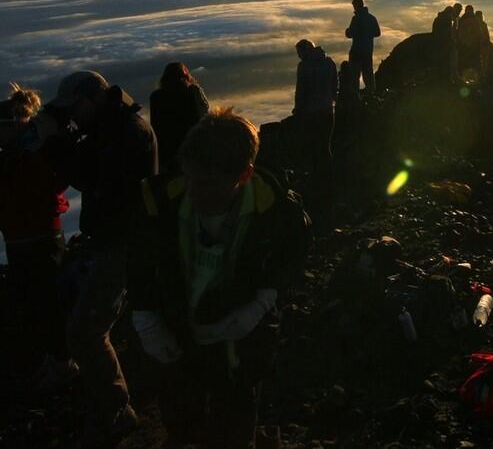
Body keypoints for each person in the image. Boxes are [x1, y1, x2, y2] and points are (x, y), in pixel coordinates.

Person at [130, 108, 310, 448]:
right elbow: (140, 260)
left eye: (208, 183)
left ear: (243, 175)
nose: (194, 190)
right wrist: (145, 316)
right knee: (183, 422)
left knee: (236, 419)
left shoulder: (276, 211)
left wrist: (261, 303)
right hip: (178, 337)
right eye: (190, 177)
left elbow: (292, 256)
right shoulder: (161, 201)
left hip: (240, 348)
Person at [38, 70, 157, 446]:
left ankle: (117, 413)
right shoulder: (114, 127)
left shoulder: (127, 133)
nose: (72, 116)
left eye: (74, 108)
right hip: (117, 240)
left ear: (93, 98)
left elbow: (92, 178)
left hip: (122, 244)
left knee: (85, 331)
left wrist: (55, 145)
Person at [0, 85, 73, 386]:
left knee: (44, 303)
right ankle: (55, 359)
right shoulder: (20, 154)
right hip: (34, 237)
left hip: (35, 238)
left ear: (15, 125)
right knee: (41, 301)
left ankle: (62, 362)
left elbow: (17, 196)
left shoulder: (28, 157)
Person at [292, 40, 338, 208]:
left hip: (311, 113)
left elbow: (301, 90)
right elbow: (335, 84)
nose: (299, 56)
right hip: (327, 111)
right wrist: (332, 100)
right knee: (325, 146)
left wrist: (297, 109)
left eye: (299, 53)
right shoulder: (329, 62)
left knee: (313, 146)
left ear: (304, 51)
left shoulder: (304, 67)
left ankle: (317, 180)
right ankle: (329, 178)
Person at [149, 62, 210, 175]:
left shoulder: (156, 97)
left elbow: (155, 127)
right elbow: (205, 113)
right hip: (193, 150)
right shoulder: (192, 92)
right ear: (186, 76)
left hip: (167, 154)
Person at [344, 0, 381, 94]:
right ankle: (371, 94)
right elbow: (377, 33)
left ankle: (355, 97)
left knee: (354, 75)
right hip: (368, 50)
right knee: (368, 74)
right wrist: (368, 34)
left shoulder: (356, 19)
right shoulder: (371, 18)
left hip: (356, 51)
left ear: (356, 5)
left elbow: (350, 33)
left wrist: (348, 31)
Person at [431, 5, 459, 83]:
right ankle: (448, 79)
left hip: (438, 43)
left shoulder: (437, 19)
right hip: (446, 43)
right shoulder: (448, 19)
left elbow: (434, 31)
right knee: (448, 61)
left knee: (440, 61)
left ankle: (440, 78)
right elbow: (449, 33)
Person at [456, 5, 480, 76]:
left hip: (467, 45)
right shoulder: (474, 20)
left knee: (467, 62)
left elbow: (459, 32)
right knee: (470, 62)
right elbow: (479, 33)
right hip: (469, 45)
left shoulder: (462, 19)